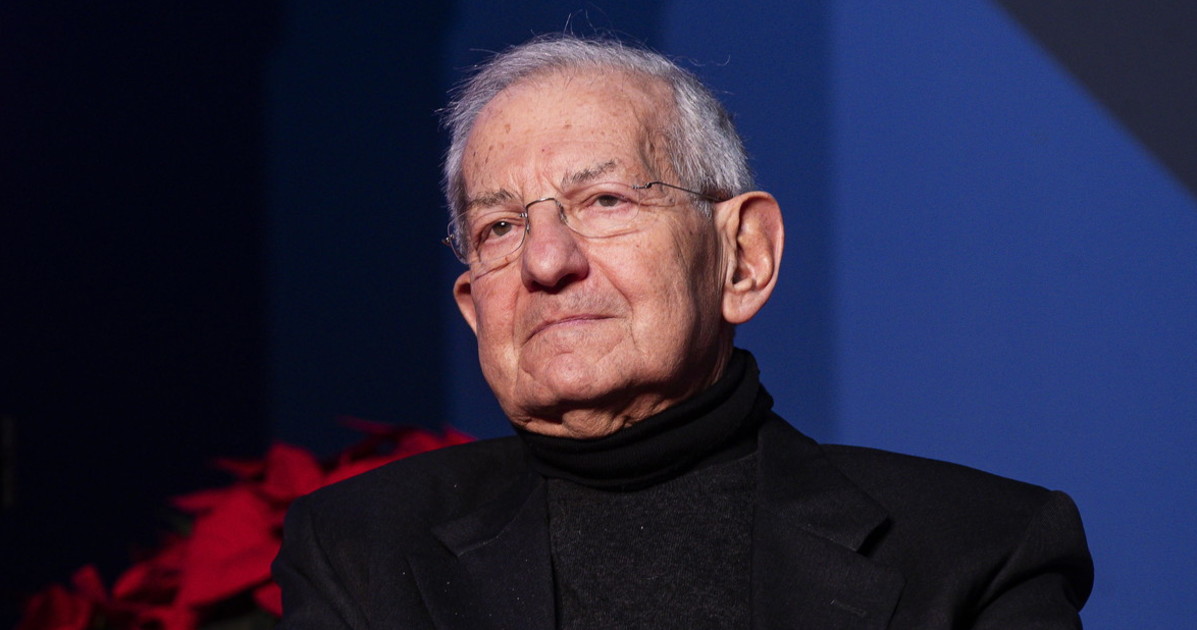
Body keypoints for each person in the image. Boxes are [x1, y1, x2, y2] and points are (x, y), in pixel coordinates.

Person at [272, 35, 1093, 629]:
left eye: (605, 201)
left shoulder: (975, 549)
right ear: (472, 306)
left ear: (743, 258)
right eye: (499, 228)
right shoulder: (360, 549)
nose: (545, 262)